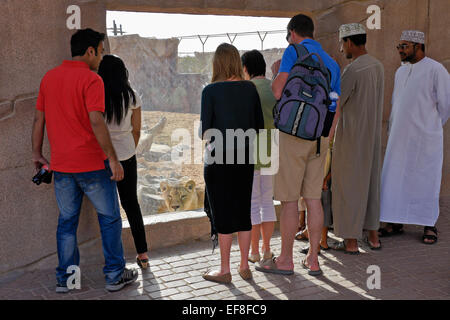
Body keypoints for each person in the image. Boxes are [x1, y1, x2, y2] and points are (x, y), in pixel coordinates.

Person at [31, 28, 138, 293]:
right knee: (110, 219)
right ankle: (114, 275)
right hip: (93, 165)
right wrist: (113, 159)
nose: (101, 58)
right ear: (90, 51)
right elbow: (95, 120)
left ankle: (67, 281)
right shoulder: (92, 80)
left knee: (67, 223)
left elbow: (38, 119)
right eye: (101, 52)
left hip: (62, 167)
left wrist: (36, 153)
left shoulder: (49, 78)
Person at [257, 14, 341, 276]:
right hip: (319, 137)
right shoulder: (332, 63)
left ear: (292, 32)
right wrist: (326, 137)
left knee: (290, 200)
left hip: (293, 135)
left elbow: (279, 91)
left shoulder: (294, 51)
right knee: (314, 199)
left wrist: (276, 73)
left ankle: (285, 260)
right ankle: (313, 260)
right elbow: (335, 108)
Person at [200, 43, 264, 283]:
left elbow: (206, 132)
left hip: (218, 161)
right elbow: (258, 126)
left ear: (217, 63)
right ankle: (244, 265)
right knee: (243, 211)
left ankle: (224, 269)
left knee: (223, 215)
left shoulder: (210, 91)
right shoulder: (250, 89)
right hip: (245, 158)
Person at [380, 30, 449, 244]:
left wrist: (430, 128)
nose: (400, 50)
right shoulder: (401, 72)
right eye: (399, 46)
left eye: (405, 46)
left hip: (425, 139)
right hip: (399, 139)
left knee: (425, 181)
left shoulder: (436, 69)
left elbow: (446, 106)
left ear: (418, 47)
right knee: (395, 179)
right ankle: (394, 221)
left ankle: (429, 225)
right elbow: (395, 103)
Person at [330, 23, 385, 254]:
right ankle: (373, 237)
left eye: (343, 44)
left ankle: (351, 242)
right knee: (371, 184)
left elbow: (338, 103)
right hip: (372, 137)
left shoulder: (352, 70)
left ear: (350, 42)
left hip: (351, 138)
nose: (342, 50)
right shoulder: (378, 66)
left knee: (347, 187)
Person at [98, 55, 150, 268]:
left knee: (108, 209)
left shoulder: (97, 95)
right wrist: (130, 148)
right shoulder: (132, 96)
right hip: (127, 156)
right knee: (131, 205)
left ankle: (112, 259)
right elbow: (137, 129)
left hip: (103, 157)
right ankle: (143, 255)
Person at [241, 50, 277, 264]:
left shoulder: (247, 89)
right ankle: (266, 249)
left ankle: (253, 251)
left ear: (246, 68)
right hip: (272, 146)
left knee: (253, 202)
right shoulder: (274, 87)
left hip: (252, 147)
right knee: (267, 201)